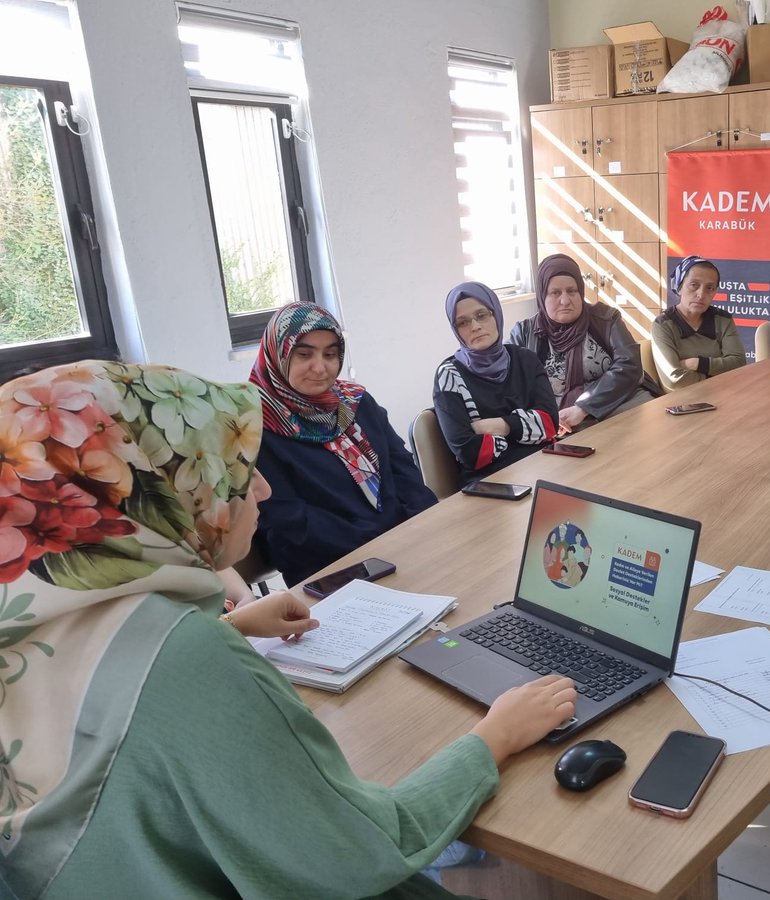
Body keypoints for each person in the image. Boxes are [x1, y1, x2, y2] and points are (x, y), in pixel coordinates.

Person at [0, 360, 578, 898]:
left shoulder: (28, 616)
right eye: (234, 473)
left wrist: (235, 625)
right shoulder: (190, 660)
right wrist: (495, 735)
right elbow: (356, 846)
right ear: (161, 494)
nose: (263, 490)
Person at [249, 302, 436, 587]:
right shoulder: (257, 427)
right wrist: (380, 541)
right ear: (279, 353)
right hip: (330, 570)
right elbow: (289, 521)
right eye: (304, 354)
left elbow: (402, 467)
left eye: (330, 354)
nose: (320, 368)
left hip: (402, 545)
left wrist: (423, 525)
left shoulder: (355, 401)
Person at [509, 254, 657, 434]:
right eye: (555, 293)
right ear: (542, 296)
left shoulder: (605, 319)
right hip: (558, 422)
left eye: (572, 291)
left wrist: (583, 407)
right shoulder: (524, 333)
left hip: (618, 405)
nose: (565, 300)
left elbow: (630, 366)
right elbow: (510, 384)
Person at [435, 281, 558, 486]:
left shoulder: (525, 360)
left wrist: (501, 426)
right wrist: (526, 429)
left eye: (481, 315)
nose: (475, 327)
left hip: (544, 465)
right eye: (462, 322)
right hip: (491, 481)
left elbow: (550, 424)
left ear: (496, 315)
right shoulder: (449, 376)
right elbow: (469, 453)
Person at [651, 256, 746, 390]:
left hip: (725, 397)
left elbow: (739, 364)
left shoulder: (723, 320)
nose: (701, 294)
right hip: (681, 403)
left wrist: (697, 363)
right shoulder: (663, 325)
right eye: (694, 285)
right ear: (679, 287)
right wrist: (720, 377)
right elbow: (675, 380)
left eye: (710, 288)